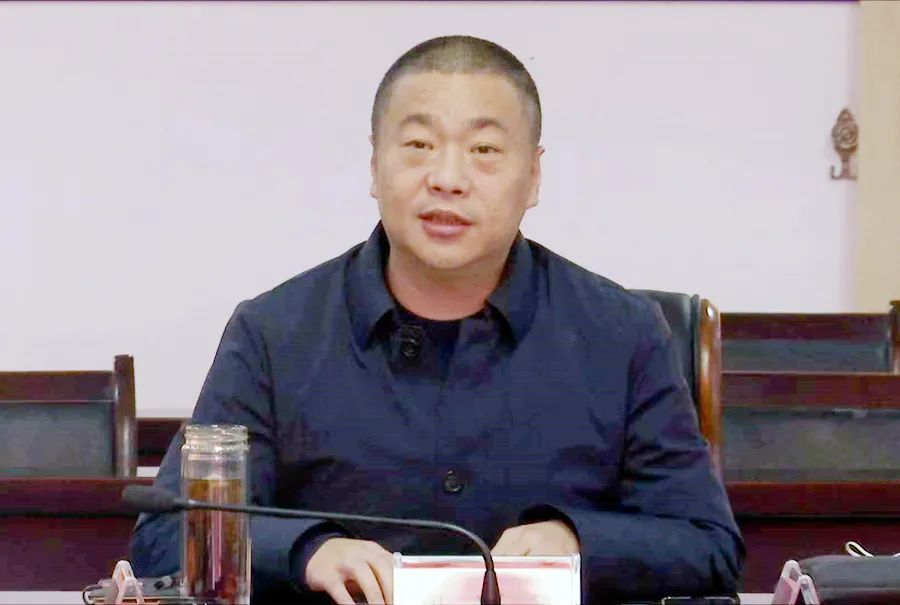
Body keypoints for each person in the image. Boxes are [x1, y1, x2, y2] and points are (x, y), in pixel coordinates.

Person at [130, 35, 744, 604]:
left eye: (484, 151)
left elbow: (708, 545)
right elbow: (166, 533)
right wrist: (306, 552)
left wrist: (577, 541)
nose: (447, 179)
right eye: (419, 145)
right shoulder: (274, 333)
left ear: (533, 177)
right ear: (375, 166)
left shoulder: (623, 334)